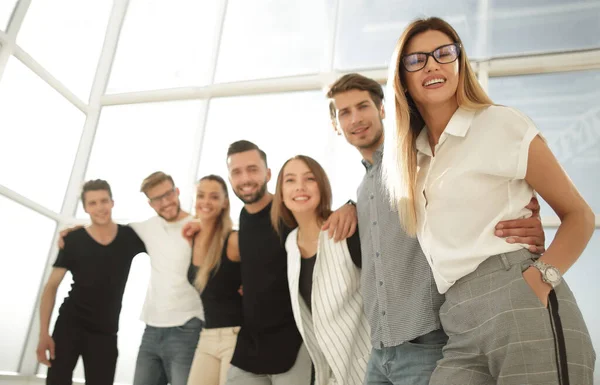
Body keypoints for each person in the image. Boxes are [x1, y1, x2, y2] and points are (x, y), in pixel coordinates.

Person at [383, 16, 596, 384]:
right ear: (402, 79)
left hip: (520, 298)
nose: (432, 64)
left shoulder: (499, 124)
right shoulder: (413, 162)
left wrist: (539, 281)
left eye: (443, 54)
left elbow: (579, 215)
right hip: (459, 319)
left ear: (459, 63)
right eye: (416, 60)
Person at [326, 72, 548, 385]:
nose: (355, 119)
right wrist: (349, 203)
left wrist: (521, 214)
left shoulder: (418, 160)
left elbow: (473, 194)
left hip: (428, 343)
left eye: (362, 106)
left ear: (382, 110)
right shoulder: (363, 189)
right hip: (379, 352)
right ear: (336, 124)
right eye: (344, 112)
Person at [222, 140, 358, 385]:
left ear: (268, 174)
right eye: (237, 172)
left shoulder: (291, 217)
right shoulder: (245, 219)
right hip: (250, 346)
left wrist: (352, 206)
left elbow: (321, 221)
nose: (245, 179)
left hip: (295, 345)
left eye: (252, 169)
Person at [58, 172, 205, 385]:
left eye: (168, 194)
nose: (165, 202)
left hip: (187, 328)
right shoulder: (144, 229)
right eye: (157, 199)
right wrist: (74, 232)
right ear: (150, 203)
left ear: (177, 191)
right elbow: (106, 231)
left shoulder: (200, 227)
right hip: (151, 331)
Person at [271, 155, 370, 385]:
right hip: (327, 372)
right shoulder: (290, 243)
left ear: (322, 186)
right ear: (281, 193)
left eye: (309, 178)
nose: (300, 187)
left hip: (369, 367)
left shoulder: (346, 229)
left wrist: (352, 206)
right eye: (290, 180)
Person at [37, 180, 146, 385]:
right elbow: (51, 287)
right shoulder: (73, 239)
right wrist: (44, 333)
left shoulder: (129, 237)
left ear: (112, 202)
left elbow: (163, 243)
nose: (99, 208)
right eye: (93, 203)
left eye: (104, 201)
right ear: (86, 207)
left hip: (105, 331)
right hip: (69, 325)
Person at [185, 175, 242, 385]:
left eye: (214, 197)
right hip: (207, 335)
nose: (206, 202)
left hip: (236, 336)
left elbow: (264, 270)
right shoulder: (192, 237)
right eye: (201, 196)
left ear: (224, 202)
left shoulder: (233, 240)